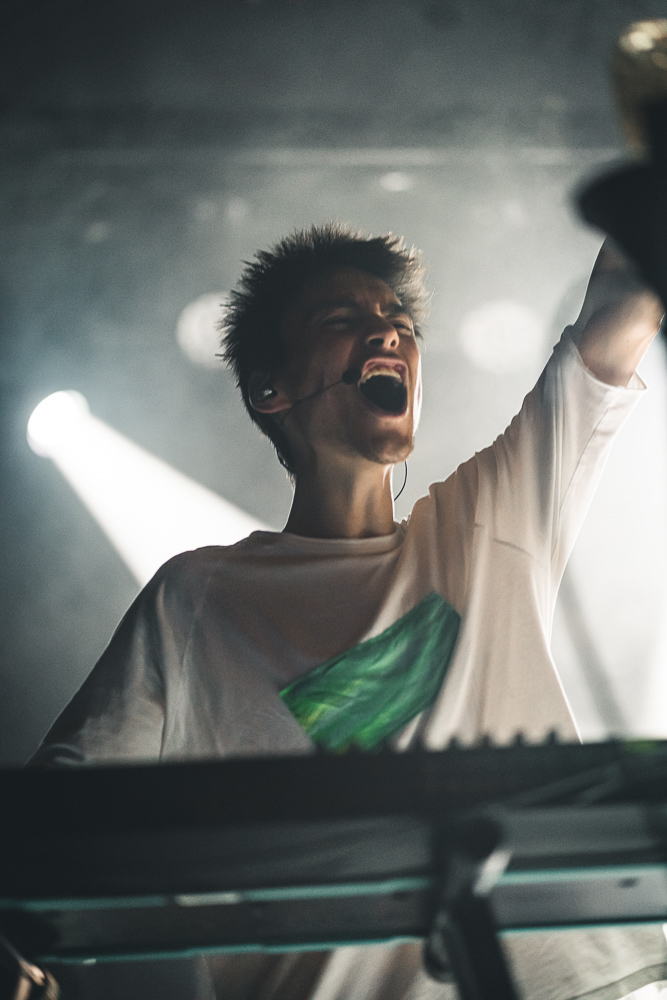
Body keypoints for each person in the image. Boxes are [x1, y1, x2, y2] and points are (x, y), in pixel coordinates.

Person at [31, 224, 664, 1000]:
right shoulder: (200, 598)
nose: (388, 330)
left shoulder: (485, 527)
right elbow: (55, 811)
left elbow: (619, 312)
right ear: (272, 390)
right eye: (343, 320)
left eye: (399, 320)